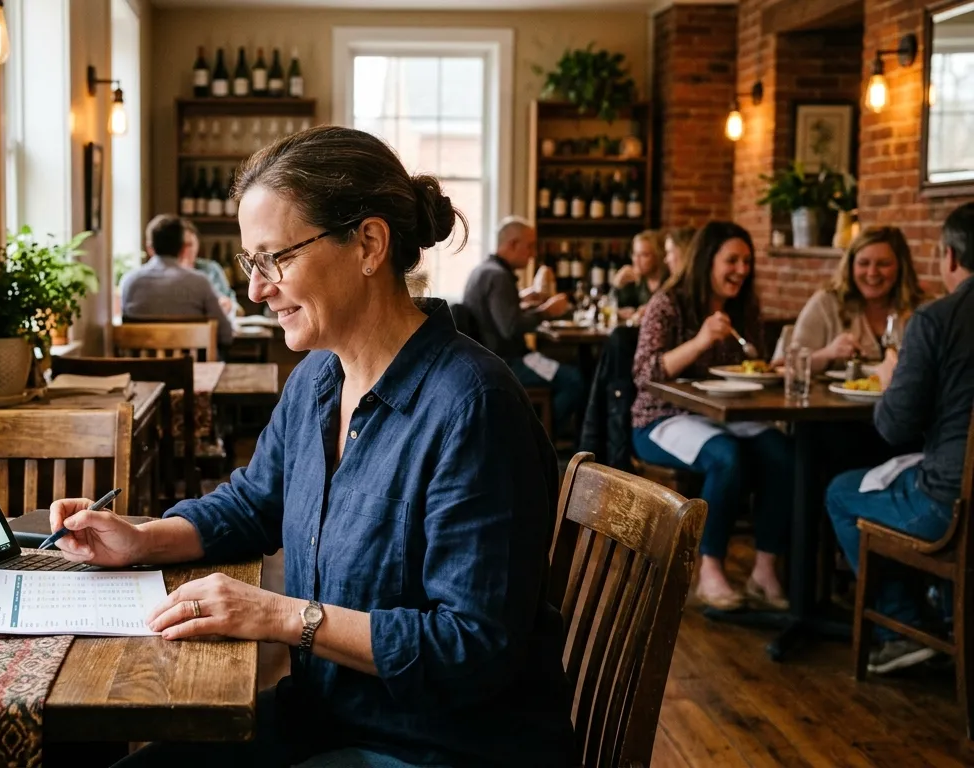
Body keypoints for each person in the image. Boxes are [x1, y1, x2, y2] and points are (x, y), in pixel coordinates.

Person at [52, 125, 574, 767]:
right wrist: (143, 538)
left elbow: (469, 649)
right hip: (329, 716)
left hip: (438, 745)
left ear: (369, 244)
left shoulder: (474, 407)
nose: (256, 289)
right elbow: (252, 503)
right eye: (251, 261)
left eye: (277, 258)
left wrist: (280, 616)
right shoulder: (319, 381)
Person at [826, 203, 974, 674]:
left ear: (949, 257)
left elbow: (893, 427)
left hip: (951, 507)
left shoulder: (937, 319)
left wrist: (891, 381)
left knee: (842, 492)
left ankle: (901, 627)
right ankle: (948, 614)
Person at [630, 222, 795, 612]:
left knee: (782, 452)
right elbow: (645, 373)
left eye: (746, 262)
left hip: (724, 414)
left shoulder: (744, 307)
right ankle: (710, 569)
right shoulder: (668, 303)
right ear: (707, 262)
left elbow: (749, 366)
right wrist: (702, 339)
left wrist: (771, 368)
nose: (741, 269)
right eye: (732, 260)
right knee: (726, 456)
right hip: (661, 418)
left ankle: (765, 569)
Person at [462, 215, 584, 432]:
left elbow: (498, 316)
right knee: (575, 380)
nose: (532, 254)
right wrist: (547, 311)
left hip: (486, 360)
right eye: (529, 247)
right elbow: (510, 328)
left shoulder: (482, 271)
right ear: (512, 244)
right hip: (508, 362)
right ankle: (535, 437)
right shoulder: (499, 277)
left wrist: (522, 302)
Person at [782, 226, 925, 372]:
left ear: (901, 267)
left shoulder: (922, 309)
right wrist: (828, 353)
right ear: (850, 267)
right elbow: (788, 364)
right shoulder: (826, 303)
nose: (872, 272)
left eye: (883, 264)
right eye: (863, 263)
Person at [120, 214, 234, 349]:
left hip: (141, 368)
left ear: (150, 248)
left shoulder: (129, 282)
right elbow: (226, 335)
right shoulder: (199, 282)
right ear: (182, 248)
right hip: (192, 367)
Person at [180, 220, 241, 317]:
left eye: (190, 245)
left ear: (197, 244)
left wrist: (230, 306)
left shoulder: (211, 269)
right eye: (181, 245)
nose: (186, 250)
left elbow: (237, 308)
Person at [613, 229, 670, 315]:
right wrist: (617, 285)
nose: (636, 260)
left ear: (658, 256)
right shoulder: (636, 280)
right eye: (635, 254)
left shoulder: (669, 281)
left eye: (644, 255)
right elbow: (613, 309)